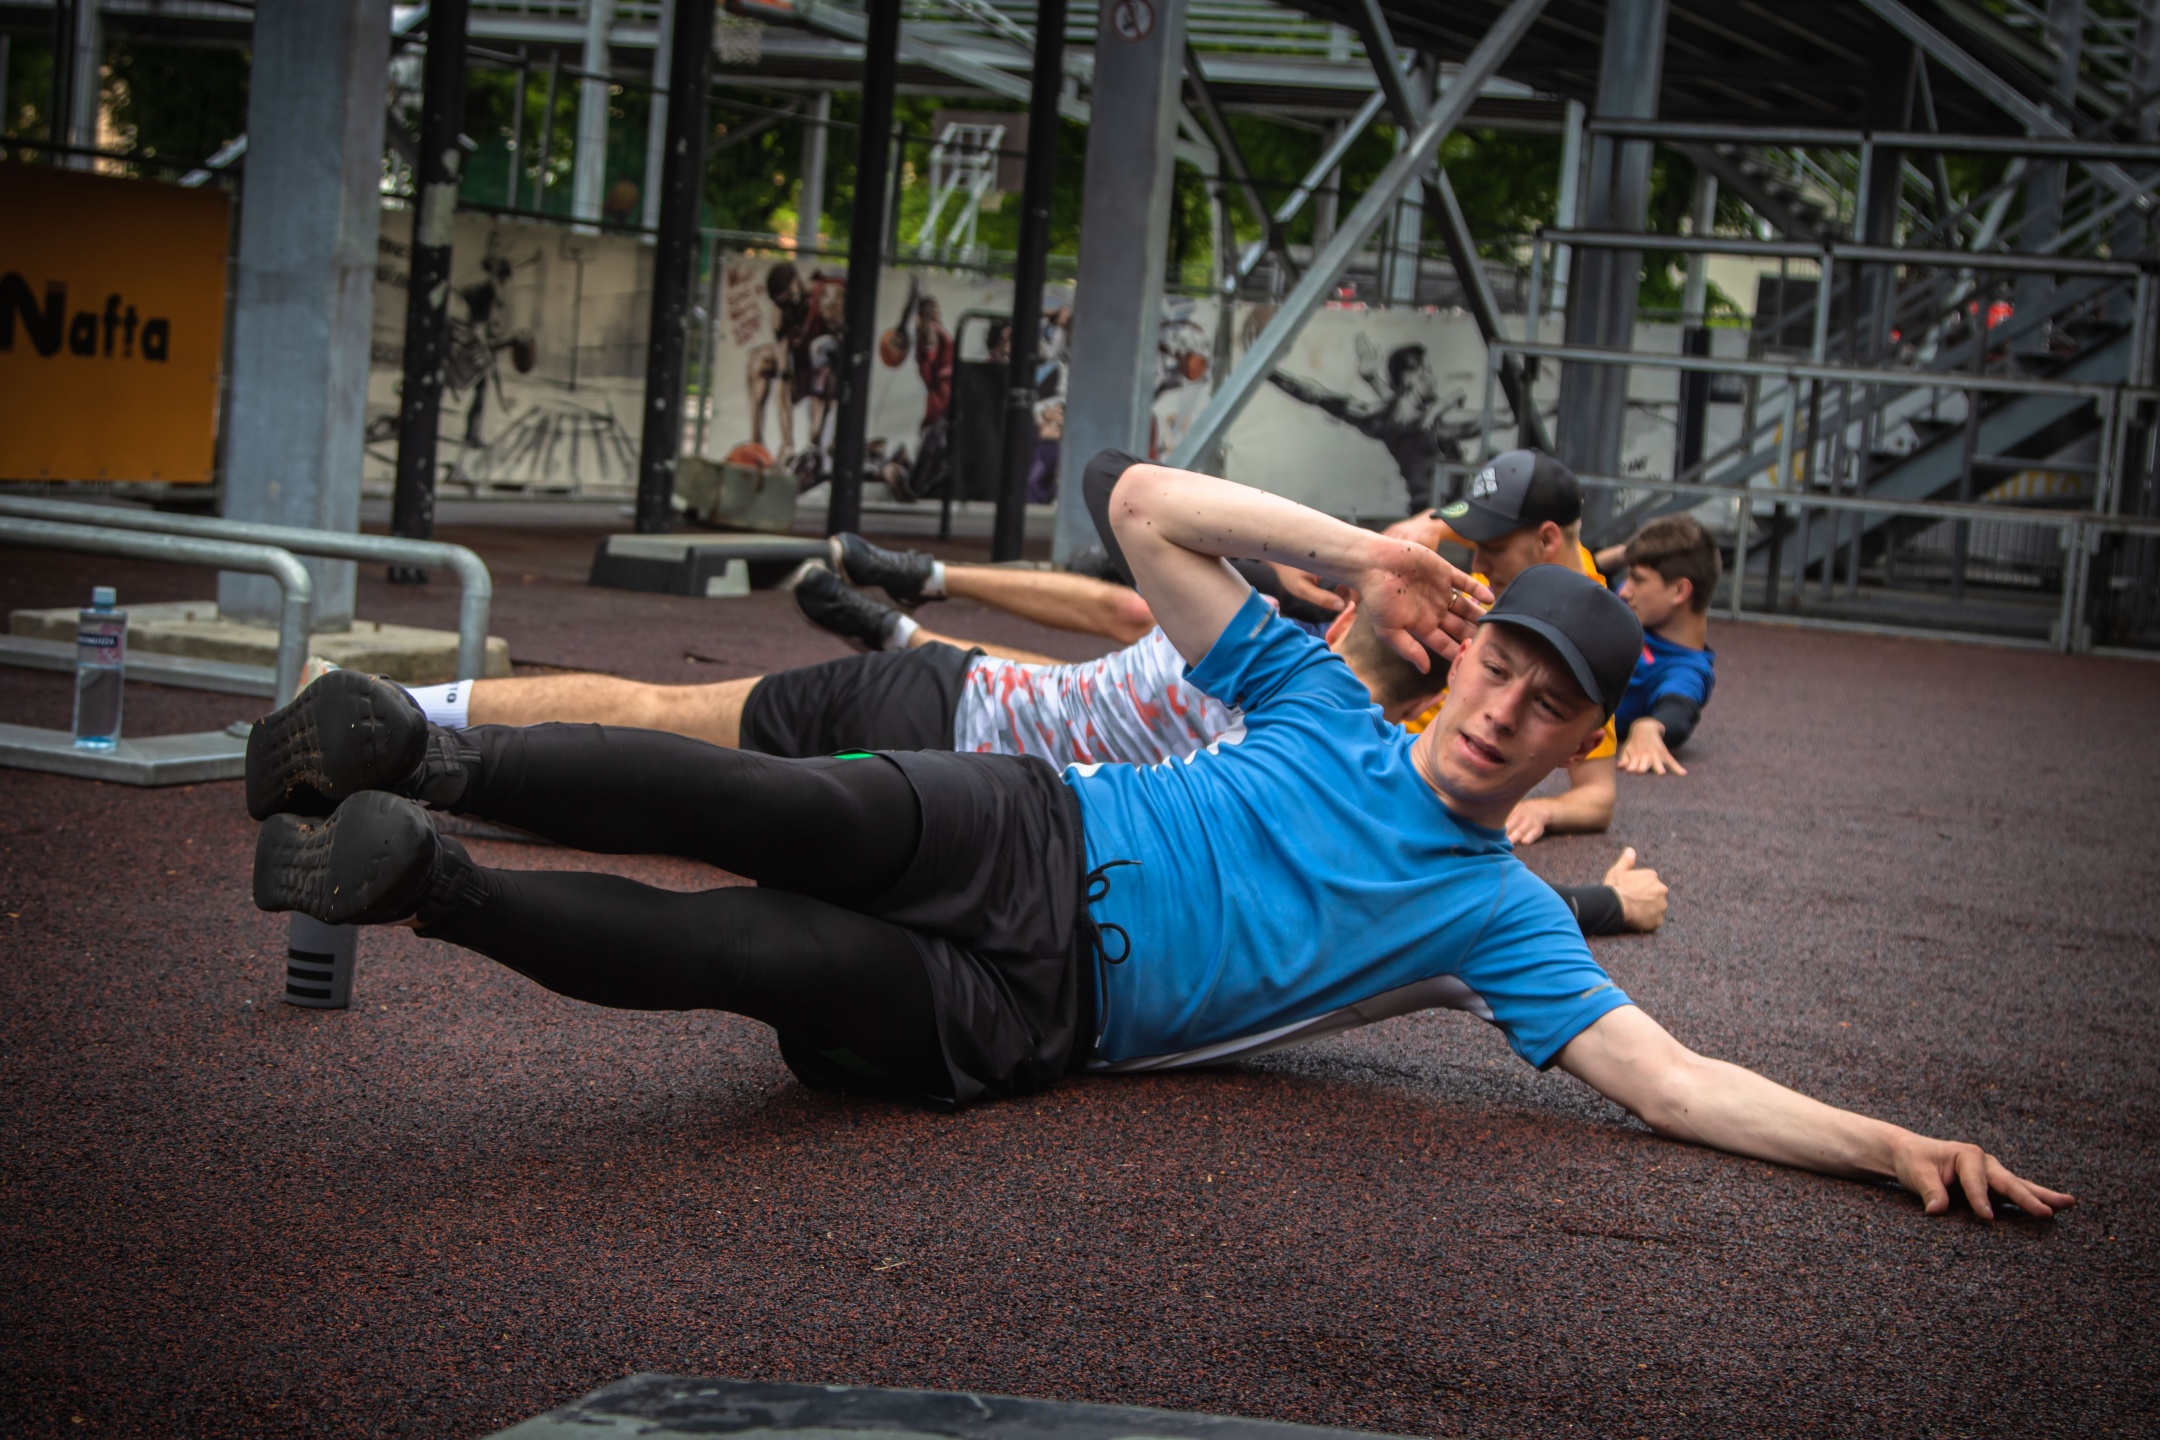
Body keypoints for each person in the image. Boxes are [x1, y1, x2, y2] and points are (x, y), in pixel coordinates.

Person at [243, 451, 2069, 1221]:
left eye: (1543, 708)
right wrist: (1365, 553)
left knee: (750, 952)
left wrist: (1889, 1143)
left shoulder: (1501, 917)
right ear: (1465, 659)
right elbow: (1143, 511)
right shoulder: (1325, 701)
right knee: (756, 804)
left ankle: (423, 878)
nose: (1502, 711)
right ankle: (417, 748)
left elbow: (1675, 1086)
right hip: (1021, 822)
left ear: (1576, 740)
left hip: (1045, 1010)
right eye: (1497, 668)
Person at [363, 545, 1664, 936]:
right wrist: (1606, 901)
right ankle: (412, 742)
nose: (1416, 568)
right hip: (956, 754)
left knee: (674, 759)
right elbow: (1402, 881)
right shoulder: (1305, 711)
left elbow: (1114, 587)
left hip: (948, 724)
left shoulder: (1262, 655)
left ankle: (413, 725)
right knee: (688, 792)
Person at [1384, 450, 1619, 847]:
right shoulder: (1542, 561)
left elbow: (1598, 797)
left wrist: (1545, 810)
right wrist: (1428, 524)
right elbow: (1502, 531)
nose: (1478, 563)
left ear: (1547, 540)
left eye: (1492, 548)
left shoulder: (1585, 642)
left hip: (1414, 790)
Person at [1595, 516, 1720, 777]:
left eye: (1637, 580)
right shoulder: (1633, 608)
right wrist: (1628, 552)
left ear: (1679, 591)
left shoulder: (1685, 669)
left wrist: (1650, 726)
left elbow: (1678, 713)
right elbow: (1580, 568)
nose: (1624, 590)